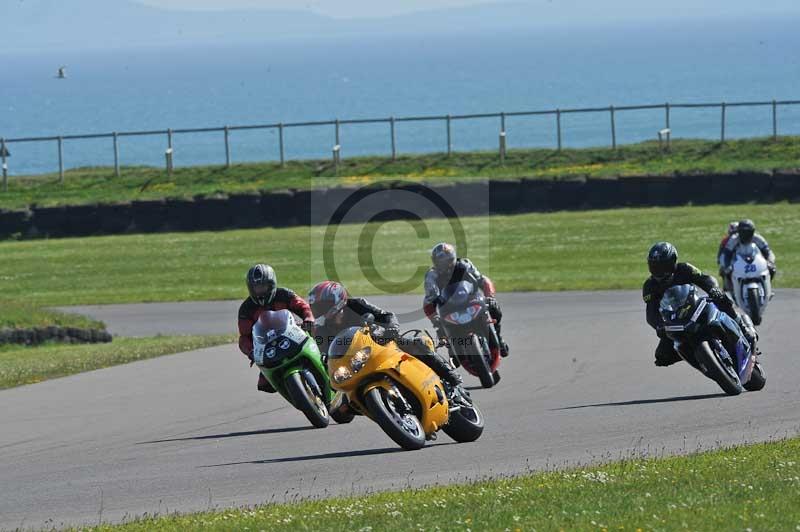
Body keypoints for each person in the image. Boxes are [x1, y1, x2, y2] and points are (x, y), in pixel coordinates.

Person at [308, 280, 465, 393]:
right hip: (356, 361)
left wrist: (390, 330)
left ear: (337, 300)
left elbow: (387, 316)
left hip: (380, 341)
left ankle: (454, 380)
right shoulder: (321, 329)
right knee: (339, 409)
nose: (319, 311)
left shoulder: (356, 305)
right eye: (316, 308)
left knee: (418, 345)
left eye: (322, 306)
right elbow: (325, 353)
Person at [643, 242, 757, 367]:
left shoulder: (685, 268)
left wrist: (713, 289)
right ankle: (702, 361)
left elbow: (705, 279)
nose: (658, 271)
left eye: (662, 266)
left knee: (722, 298)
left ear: (672, 261)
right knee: (662, 357)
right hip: (674, 321)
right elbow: (651, 313)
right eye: (654, 266)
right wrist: (659, 326)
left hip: (695, 305)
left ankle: (743, 328)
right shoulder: (649, 286)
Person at [237, 264, 315, 393]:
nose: (260, 291)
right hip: (268, 347)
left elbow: (303, 307)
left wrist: (308, 318)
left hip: (292, 335)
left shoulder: (284, 294)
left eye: (263, 286)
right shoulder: (246, 309)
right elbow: (244, 337)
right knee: (264, 384)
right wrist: (251, 352)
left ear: (271, 284)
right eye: (256, 288)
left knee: (320, 352)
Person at [423, 242, 509, 358]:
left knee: (494, 307)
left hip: (471, 300)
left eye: (447, 261)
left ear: (452, 258)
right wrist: (435, 318)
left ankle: (499, 338)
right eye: (441, 262)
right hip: (448, 307)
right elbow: (429, 300)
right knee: (440, 327)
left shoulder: (465, 264)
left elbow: (482, 280)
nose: (445, 265)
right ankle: (453, 348)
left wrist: (490, 297)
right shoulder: (431, 276)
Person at [720, 219, 777, 285]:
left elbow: (768, 252)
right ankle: (731, 288)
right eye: (743, 232)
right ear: (739, 232)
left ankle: (767, 285)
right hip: (737, 264)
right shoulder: (734, 239)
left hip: (757, 263)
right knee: (726, 272)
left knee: (772, 269)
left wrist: (770, 262)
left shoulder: (758, 238)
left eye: (748, 232)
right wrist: (727, 266)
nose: (746, 234)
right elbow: (725, 255)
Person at [717, 221, 739, 293]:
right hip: (728, 260)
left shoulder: (742, 240)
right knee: (723, 271)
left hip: (738, 260)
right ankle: (726, 287)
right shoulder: (725, 240)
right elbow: (721, 250)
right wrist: (719, 259)